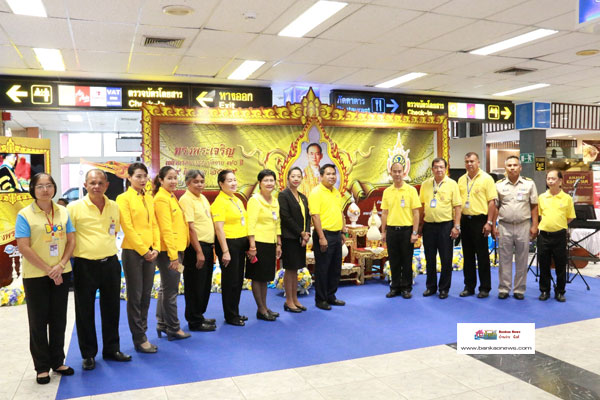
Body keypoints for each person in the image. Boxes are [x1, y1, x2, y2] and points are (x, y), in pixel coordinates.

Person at [67, 169, 131, 371]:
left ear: (106, 185)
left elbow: (115, 231)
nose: (96, 186)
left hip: (111, 263)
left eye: (100, 183)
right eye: (92, 183)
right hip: (85, 265)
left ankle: (112, 349)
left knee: (112, 309)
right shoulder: (73, 208)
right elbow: (68, 238)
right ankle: (88, 354)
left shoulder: (114, 206)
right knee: (84, 311)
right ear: (85, 185)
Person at [15, 173, 75, 384]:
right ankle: (42, 367)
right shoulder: (25, 214)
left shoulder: (63, 212)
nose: (45, 190)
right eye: (40, 186)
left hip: (62, 271)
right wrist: (50, 270)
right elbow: (23, 246)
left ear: (54, 187)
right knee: (38, 321)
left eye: (49, 185)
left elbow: (71, 241)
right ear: (33, 189)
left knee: (59, 319)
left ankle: (57, 361)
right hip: (36, 275)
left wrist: (59, 266)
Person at [116, 163, 160, 353]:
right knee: (135, 297)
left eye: (145, 176)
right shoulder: (123, 198)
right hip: (133, 252)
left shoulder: (149, 198)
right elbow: (127, 227)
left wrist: (156, 248)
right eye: (138, 176)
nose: (143, 180)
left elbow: (155, 225)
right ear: (129, 177)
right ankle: (139, 338)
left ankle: (143, 333)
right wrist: (144, 250)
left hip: (151, 252)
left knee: (145, 297)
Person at [153, 166, 190, 341]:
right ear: (160, 180)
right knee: (171, 291)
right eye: (170, 178)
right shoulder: (161, 199)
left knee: (165, 288)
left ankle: (162, 323)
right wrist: (174, 256)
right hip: (169, 251)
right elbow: (166, 229)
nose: (174, 181)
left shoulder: (170, 196)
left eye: (175, 178)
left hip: (175, 249)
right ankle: (174, 328)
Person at [493, 156, 538, 300]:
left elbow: (534, 205)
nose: (512, 167)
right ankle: (504, 288)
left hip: (523, 225)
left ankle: (519, 289)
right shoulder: (498, 185)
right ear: (505, 168)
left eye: (515, 165)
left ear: (520, 167)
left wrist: (535, 225)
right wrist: (494, 225)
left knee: (522, 258)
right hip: (504, 225)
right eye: (509, 165)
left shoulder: (529, 184)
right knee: (504, 258)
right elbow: (495, 207)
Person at [418, 158, 461, 299]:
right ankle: (430, 287)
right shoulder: (425, 184)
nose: (439, 170)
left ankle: (444, 289)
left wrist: (456, 226)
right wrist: (419, 226)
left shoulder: (452, 184)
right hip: (429, 226)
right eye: (436, 167)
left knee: (446, 259)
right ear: (432, 169)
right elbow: (421, 206)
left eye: (441, 167)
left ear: (446, 168)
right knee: (429, 258)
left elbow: (457, 207)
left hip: (445, 226)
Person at [179, 170, 217, 332]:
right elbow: (191, 228)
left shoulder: (202, 198)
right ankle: (194, 321)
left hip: (207, 247)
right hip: (195, 249)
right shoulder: (186, 199)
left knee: (204, 284)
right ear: (188, 183)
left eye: (202, 181)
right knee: (194, 285)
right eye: (196, 181)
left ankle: (199, 315)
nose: (200, 184)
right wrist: (199, 252)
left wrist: (212, 249)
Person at [211, 169, 249, 326]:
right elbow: (219, 229)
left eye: (235, 180)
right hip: (228, 244)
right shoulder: (219, 202)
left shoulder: (237, 200)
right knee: (230, 281)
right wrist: (225, 251)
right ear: (221, 184)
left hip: (240, 243)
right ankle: (230, 315)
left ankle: (235, 311)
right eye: (229, 181)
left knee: (238, 280)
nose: (234, 183)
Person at [457, 152, 498, 298]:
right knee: (467, 256)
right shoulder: (461, 180)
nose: (469, 164)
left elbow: (492, 202)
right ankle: (469, 286)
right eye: (467, 161)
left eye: (472, 161)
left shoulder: (487, 179)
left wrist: (489, 222)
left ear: (478, 162)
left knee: (482, 256)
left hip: (480, 221)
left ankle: (485, 288)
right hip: (465, 221)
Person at [308, 164, 346, 310]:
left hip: (336, 235)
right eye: (328, 174)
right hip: (323, 235)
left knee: (335, 268)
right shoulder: (316, 192)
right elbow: (315, 216)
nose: (332, 177)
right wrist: (322, 237)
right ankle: (321, 299)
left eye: (333, 174)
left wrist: (342, 232)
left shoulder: (336, 192)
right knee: (323, 269)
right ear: (321, 176)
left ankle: (331, 296)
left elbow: (340, 212)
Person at [246, 169, 282, 321]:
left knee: (265, 277)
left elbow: (278, 223)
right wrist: (252, 246)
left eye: (271, 180)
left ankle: (265, 307)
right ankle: (260, 309)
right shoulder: (254, 200)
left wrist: (279, 243)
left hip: (271, 242)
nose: (269, 183)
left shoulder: (275, 200)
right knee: (257, 277)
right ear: (260, 183)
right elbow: (250, 224)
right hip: (258, 243)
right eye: (265, 180)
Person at [381, 161, 420, 299]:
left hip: (407, 231)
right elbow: (384, 213)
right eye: (394, 171)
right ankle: (394, 287)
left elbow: (416, 213)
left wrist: (415, 232)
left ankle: (406, 288)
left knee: (406, 260)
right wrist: (383, 231)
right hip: (391, 231)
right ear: (390, 173)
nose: (397, 174)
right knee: (394, 260)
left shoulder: (411, 190)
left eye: (400, 171)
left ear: (404, 173)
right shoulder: (387, 192)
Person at [537, 169, 575, 302]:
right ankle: (544, 291)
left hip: (559, 236)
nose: (550, 181)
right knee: (543, 264)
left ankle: (560, 291)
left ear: (560, 181)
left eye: (553, 178)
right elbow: (540, 215)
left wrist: (558, 225)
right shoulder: (541, 197)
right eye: (548, 179)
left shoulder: (567, 198)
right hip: (543, 236)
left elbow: (570, 217)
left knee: (560, 265)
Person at [279, 166, 310, 312]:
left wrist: (307, 233)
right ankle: (289, 301)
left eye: (299, 176)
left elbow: (308, 217)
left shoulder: (303, 196)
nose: (296, 179)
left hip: (301, 239)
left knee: (296, 269)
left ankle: (295, 299)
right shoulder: (283, 195)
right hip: (290, 238)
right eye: (293, 176)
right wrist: (301, 233)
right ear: (288, 178)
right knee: (289, 270)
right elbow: (286, 218)